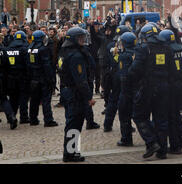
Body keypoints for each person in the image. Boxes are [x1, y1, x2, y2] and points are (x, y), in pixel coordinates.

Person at [128, 22, 178, 159]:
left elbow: (134, 70)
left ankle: (151, 142)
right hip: (164, 87)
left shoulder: (143, 49)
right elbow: (173, 71)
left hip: (147, 88)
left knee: (139, 116)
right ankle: (162, 151)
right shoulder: (167, 48)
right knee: (161, 119)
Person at [59, 27, 96, 162]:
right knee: (75, 123)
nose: (83, 40)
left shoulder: (65, 52)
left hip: (68, 91)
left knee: (72, 122)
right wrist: (89, 97)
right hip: (75, 93)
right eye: (80, 38)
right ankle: (70, 153)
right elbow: (81, 80)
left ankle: (72, 151)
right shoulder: (76, 56)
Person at [158, 29, 182, 154]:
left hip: (170, 87)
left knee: (170, 116)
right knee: (176, 113)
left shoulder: (165, 52)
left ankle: (175, 144)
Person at [27, 30, 58, 127]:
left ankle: (33, 119)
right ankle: (48, 120)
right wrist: (51, 78)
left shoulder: (30, 48)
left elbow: (28, 65)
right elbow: (46, 65)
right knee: (46, 100)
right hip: (43, 77)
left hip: (33, 77)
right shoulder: (43, 49)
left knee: (34, 100)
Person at [103, 25, 131, 132]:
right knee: (124, 102)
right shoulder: (126, 46)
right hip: (122, 76)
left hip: (112, 75)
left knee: (113, 101)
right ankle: (126, 125)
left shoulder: (110, 45)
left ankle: (107, 124)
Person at [116, 32, 138, 146]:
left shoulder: (124, 56)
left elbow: (123, 75)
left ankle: (126, 139)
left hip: (127, 90)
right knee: (140, 115)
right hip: (138, 88)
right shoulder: (138, 53)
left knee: (124, 115)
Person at [6, 31, 30, 124]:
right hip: (23, 76)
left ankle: (12, 116)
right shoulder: (25, 48)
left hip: (11, 77)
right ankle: (24, 117)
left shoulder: (8, 48)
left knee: (13, 97)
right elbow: (28, 64)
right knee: (23, 97)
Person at [0, 34, 17, 129]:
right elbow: (9, 65)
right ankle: (11, 116)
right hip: (3, 77)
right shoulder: (5, 51)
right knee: (3, 99)